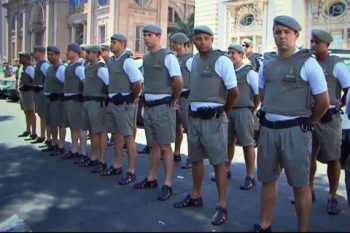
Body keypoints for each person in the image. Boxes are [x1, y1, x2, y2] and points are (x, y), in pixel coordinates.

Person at [252, 16, 329, 232]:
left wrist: (306, 122)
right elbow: (262, 93)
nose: (282, 36)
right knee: (268, 180)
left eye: (287, 32)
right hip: (268, 131)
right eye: (278, 32)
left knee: (300, 185)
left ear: (296, 35)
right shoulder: (266, 62)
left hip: (296, 132)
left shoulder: (308, 62)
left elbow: (322, 102)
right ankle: (265, 224)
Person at [173, 25, 239, 226]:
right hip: (195, 118)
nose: (202, 42)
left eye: (205, 38)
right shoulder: (193, 62)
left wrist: (223, 112)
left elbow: (233, 92)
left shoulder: (222, 60)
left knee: (218, 162)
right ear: (193, 41)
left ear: (211, 39)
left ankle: (222, 204)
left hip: (214, 119)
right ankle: (195, 195)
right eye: (198, 38)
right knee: (196, 159)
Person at [133, 23, 183, 201]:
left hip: (163, 107)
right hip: (149, 107)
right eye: (144, 35)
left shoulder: (168, 57)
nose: (146, 38)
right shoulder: (146, 57)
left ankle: (168, 184)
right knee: (152, 145)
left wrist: (172, 100)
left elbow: (178, 81)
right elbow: (146, 81)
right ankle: (152, 177)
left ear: (158, 36)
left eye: (149, 35)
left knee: (165, 147)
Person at [308, 28, 350, 215]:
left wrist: (339, 103)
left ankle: (332, 196)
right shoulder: (308, 62)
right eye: (312, 42)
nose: (314, 45)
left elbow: (348, 87)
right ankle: (308, 190)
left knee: (333, 158)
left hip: (329, 119)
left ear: (327, 44)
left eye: (317, 42)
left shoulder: (336, 64)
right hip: (309, 116)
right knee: (308, 157)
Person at [218, 44, 259, 190]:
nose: (230, 55)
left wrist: (251, 109)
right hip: (228, 111)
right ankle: (226, 169)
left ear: (242, 55)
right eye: (228, 53)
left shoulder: (249, 72)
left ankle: (250, 176)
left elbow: (257, 94)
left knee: (247, 144)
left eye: (234, 53)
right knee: (228, 142)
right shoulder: (226, 71)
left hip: (243, 111)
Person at [104, 33, 143, 185]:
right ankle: (117, 165)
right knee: (116, 136)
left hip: (124, 104)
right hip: (114, 103)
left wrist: (132, 97)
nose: (111, 45)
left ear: (123, 44)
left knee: (128, 138)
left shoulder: (128, 61)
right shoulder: (112, 61)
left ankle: (131, 171)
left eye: (114, 42)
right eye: (111, 42)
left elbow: (137, 82)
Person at [80, 44, 109, 174]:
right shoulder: (88, 67)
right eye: (87, 52)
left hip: (97, 102)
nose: (87, 54)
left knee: (101, 131)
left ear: (97, 54)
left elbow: (109, 83)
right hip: (88, 101)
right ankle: (93, 157)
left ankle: (102, 160)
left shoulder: (101, 68)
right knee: (92, 131)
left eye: (90, 52)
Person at [61, 43, 88, 163]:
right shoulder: (70, 66)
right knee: (73, 127)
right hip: (69, 100)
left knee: (81, 127)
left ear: (75, 53)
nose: (66, 52)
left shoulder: (79, 67)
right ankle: (74, 150)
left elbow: (85, 83)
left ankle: (83, 153)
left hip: (76, 101)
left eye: (69, 50)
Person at [170, 32, 193, 169]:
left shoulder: (189, 60)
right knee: (176, 127)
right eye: (172, 42)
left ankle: (192, 157)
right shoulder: (173, 58)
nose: (172, 45)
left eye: (175, 42)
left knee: (189, 129)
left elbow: (196, 79)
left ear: (183, 44)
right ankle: (177, 152)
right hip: (175, 98)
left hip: (186, 98)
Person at [42, 45, 67, 156]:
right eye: (48, 54)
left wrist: (59, 95)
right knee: (51, 122)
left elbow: (66, 85)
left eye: (52, 55)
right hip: (48, 99)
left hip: (57, 100)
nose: (49, 57)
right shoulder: (49, 68)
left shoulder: (61, 68)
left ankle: (61, 145)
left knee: (60, 123)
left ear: (57, 55)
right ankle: (53, 143)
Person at [32, 46, 50, 144]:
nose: (34, 54)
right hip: (38, 93)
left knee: (44, 115)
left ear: (41, 53)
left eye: (35, 52)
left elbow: (49, 78)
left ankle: (46, 136)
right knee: (41, 114)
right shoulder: (39, 64)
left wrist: (42, 87)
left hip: (42, 93)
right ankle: (43, 135)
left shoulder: (44, 65)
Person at [17, 51, 37, 140]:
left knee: (31, 111)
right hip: (23, 92)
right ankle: (28, 129)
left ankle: (34, 132)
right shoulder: (23, 67)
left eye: (22, 57)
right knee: (26, 111)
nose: (20, 59)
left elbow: (35, 80)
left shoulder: (30, 68)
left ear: (27, 58)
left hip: (29, 92)